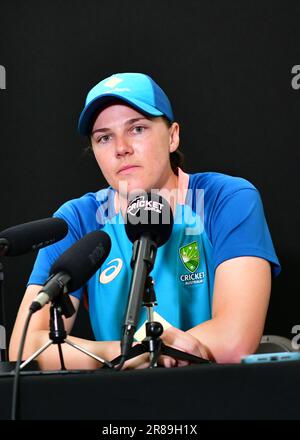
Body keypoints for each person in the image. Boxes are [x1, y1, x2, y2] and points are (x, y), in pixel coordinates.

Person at [9, 72, 281, 370]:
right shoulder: (79, 219)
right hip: (123, 400)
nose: (121, 148)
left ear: (173, 136)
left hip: (217, 395)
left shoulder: (225, 199)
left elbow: (235, 339)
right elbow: (28, 346)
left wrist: (146, 353)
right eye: (104, 137)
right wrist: (131, 351)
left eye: (137, 129)